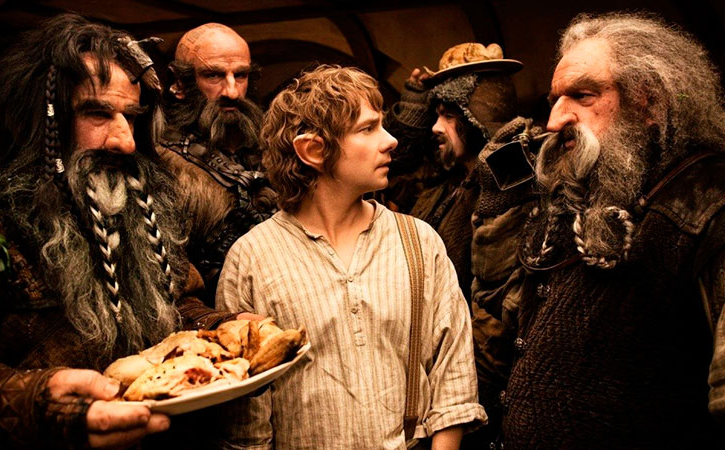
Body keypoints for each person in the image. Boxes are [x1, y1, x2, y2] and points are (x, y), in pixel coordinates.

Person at [0, 14, 237, 448]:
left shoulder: (140, 199)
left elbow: (176, 301)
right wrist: (41, 403)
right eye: (97, 113)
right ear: (35, 119)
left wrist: (227, 330)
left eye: (131, 117)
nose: (124, 141)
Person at [490, 12, 725, 449]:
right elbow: (507, 326)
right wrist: (498, 209)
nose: (554, 121)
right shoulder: (581, 201)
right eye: (554, 99)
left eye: (582, 95)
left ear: (650, 103)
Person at [216, 65, 487, 449]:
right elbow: (247, 426)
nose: (391, 140)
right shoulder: (251, 260)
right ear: (314, 150)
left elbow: (453, 378)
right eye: (368, 128)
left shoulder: (418, 242)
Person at [397, 43, 524, 304]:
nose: (436, 127)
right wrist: (413, 104)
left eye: (448, 116)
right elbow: (397, 171)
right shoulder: (447, 182)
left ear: (475, 118)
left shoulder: (507, 187)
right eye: (436, 115)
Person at [159, 23, 276, 302]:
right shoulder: (161, 163)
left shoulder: (273, 149)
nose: (232, 92)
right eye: (213, 75)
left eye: (241, 75)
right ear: (179, 82)